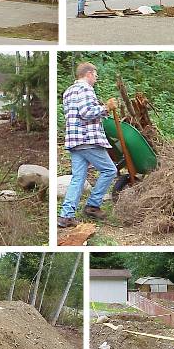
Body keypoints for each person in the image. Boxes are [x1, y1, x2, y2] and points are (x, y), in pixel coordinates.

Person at [58, 62, 118, 228]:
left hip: (74, 140)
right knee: (110, 170)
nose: (96, 78)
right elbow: (85, 113)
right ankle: (93, 205)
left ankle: (66, 216)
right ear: (89, 73)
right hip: (87, 140)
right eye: (96, 75)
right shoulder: (85, 89)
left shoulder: (68, 91)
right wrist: (106, 107)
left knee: (78, 179)